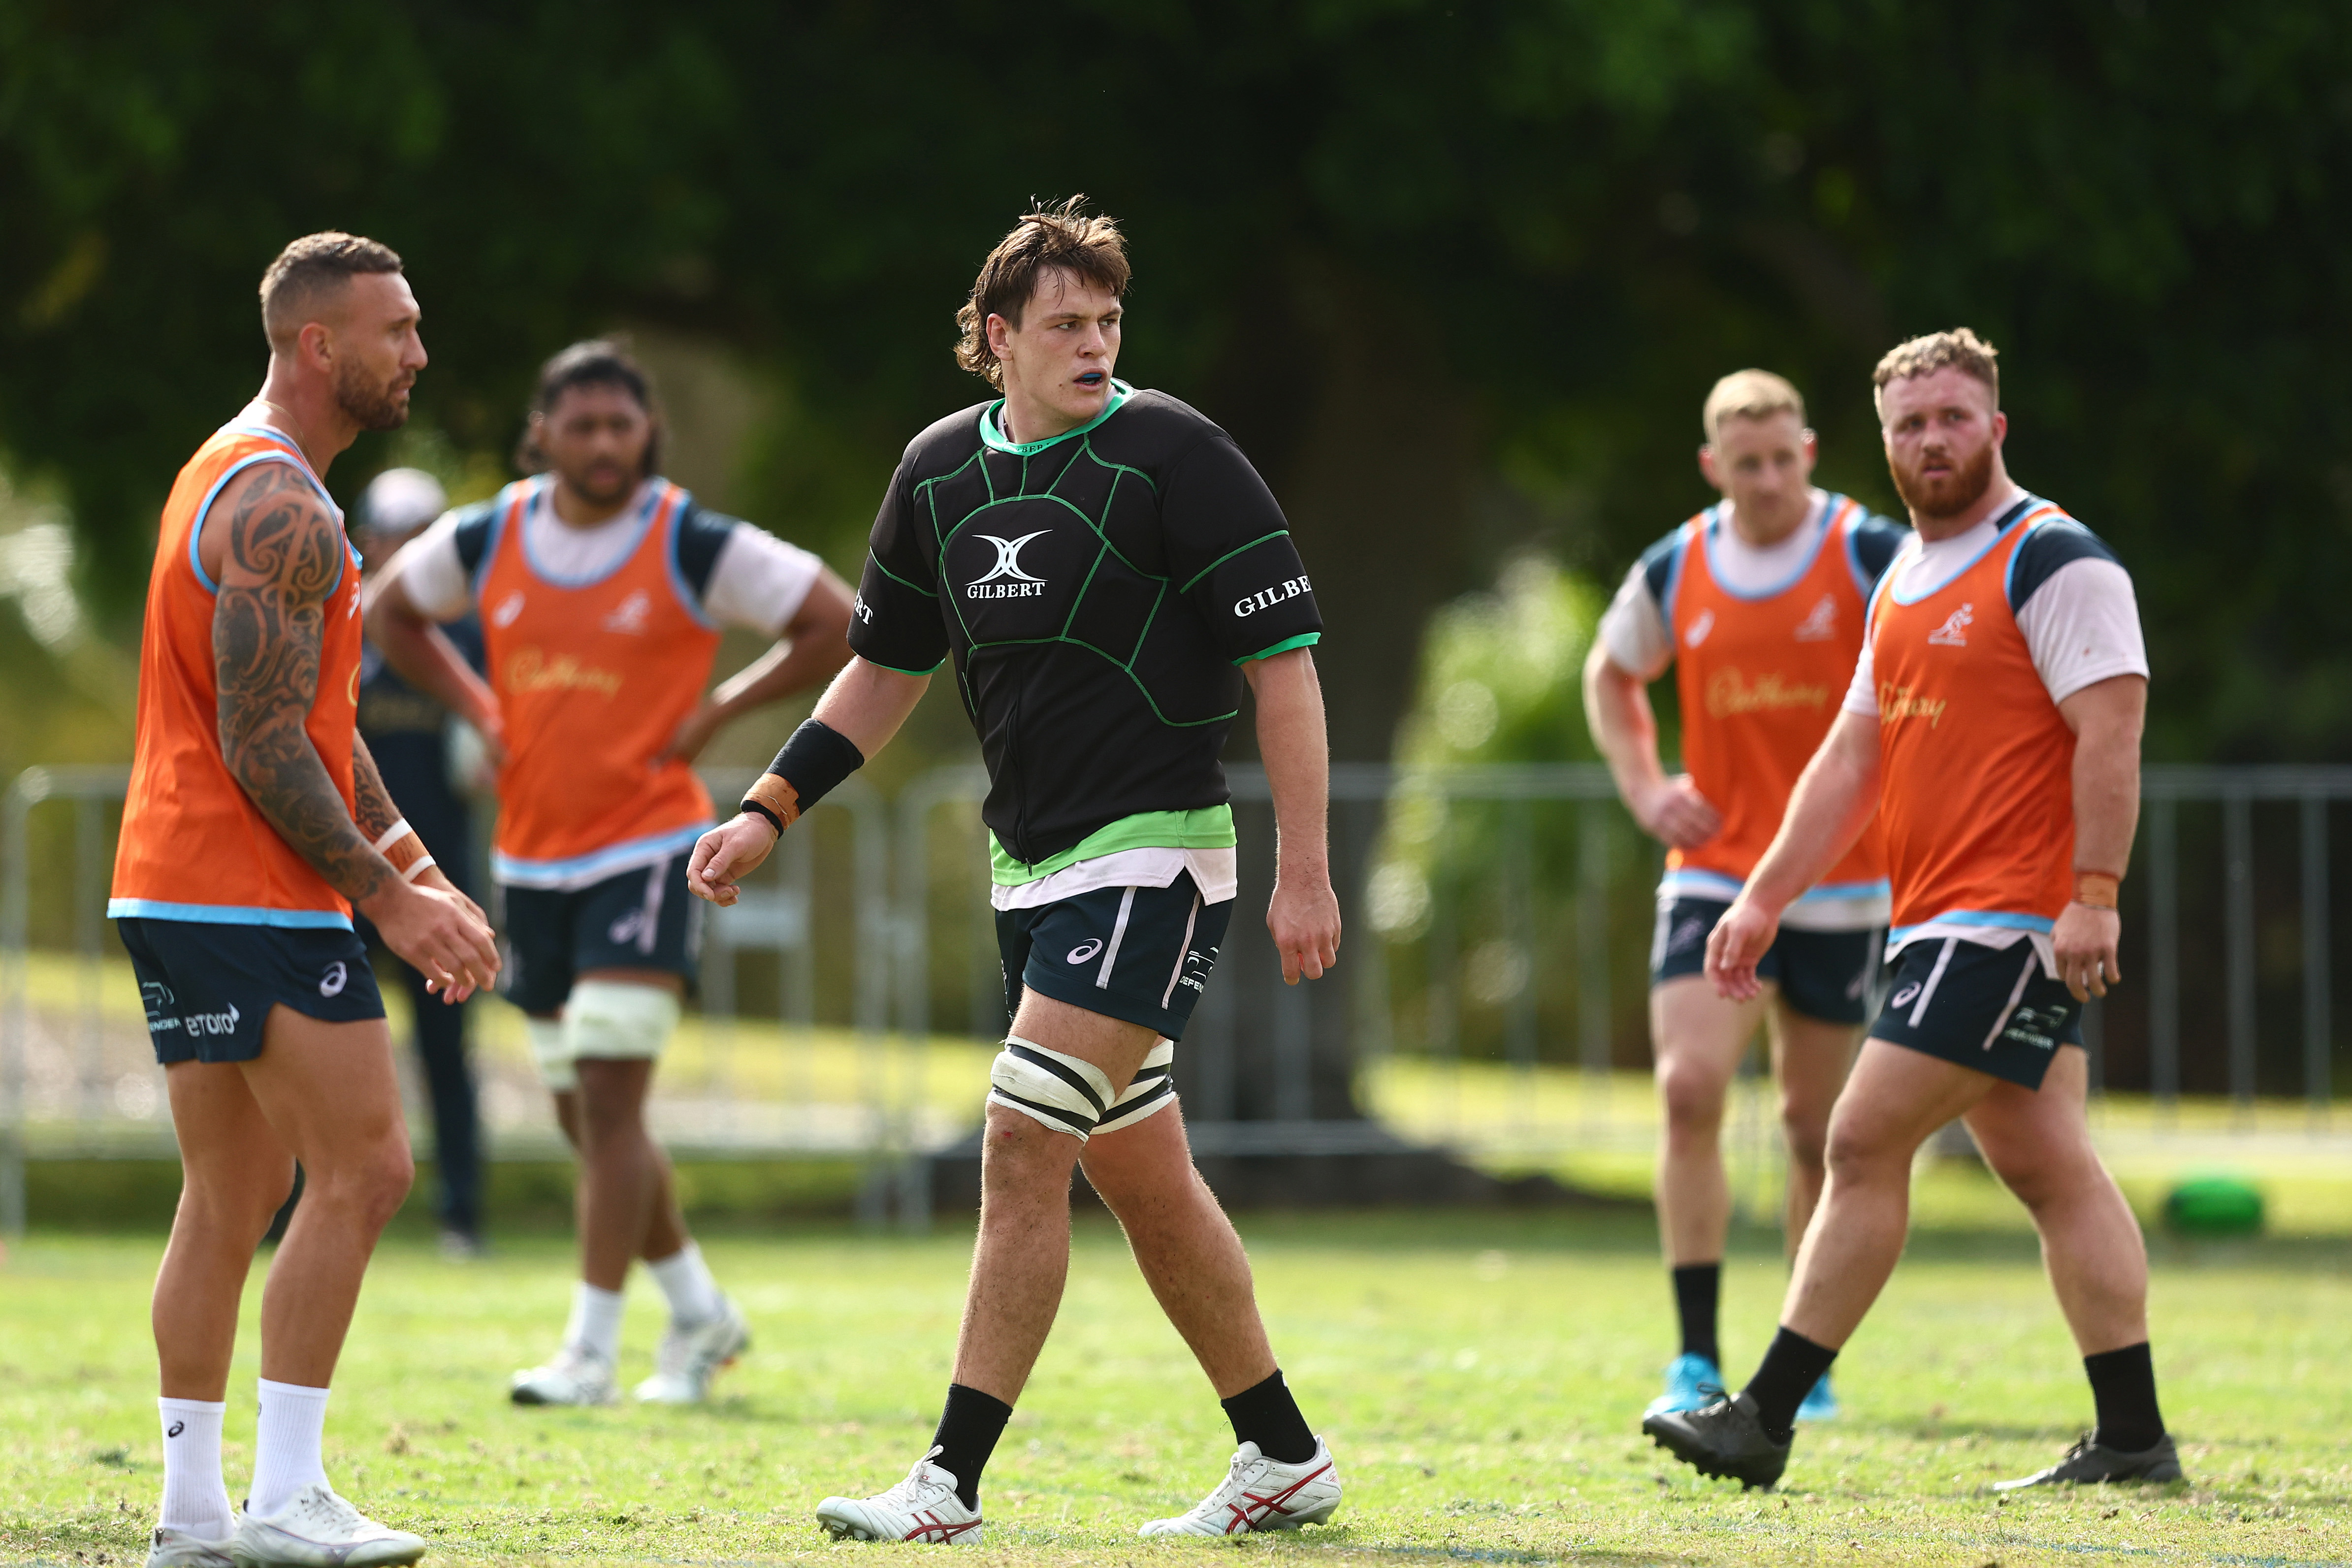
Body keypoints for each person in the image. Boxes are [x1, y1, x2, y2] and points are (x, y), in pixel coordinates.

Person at [689, 198, 1345, 1545]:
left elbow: (1285, 672)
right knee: (1143, 1177)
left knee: (1020, 1132)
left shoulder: (1178, 453)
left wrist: (1306, 872)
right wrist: (768, 807)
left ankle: (947, 1484)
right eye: (1064, 324)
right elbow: (880, 674)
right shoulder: (937, 471)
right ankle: (1282, 1455)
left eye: (1108, 321)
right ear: (997, 339)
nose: (1094, 344)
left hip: (1159, 858)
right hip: (1031, 870)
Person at [1645, 328, 2176, 1492]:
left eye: (1950, 416)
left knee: (1855, 1135)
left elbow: (2114, 728)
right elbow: (1849, 760)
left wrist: (2093, 895)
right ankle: (2132, 1438)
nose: (1930, 439)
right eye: (1908, 424)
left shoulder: (2052, 557)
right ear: (1882, 443)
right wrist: (1762, 898)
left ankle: (1763, 1417)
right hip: (1937, 918)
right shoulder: (1904, 576)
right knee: (2052, 1171)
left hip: (2012, 922)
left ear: (1996, 425)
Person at [365, 339, 857, 1407]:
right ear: (541, 435)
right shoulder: (492, 533)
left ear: (648, 435)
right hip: (529, 860)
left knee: (610, 1095)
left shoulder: (690, 539)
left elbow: (836, 619)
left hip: (648, 849)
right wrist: (476, 706)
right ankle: (698, 1313)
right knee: (587, 1118)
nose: (600, 445)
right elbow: (389, 611)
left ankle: (588, 1351)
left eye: (619, 426)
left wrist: (721, 710)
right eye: (579, 426)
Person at [111, 232, 501, 1568]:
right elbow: (266, 743)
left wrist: (418, 860)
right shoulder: (280, 507)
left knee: (236, 1187)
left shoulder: (233, 477)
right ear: (320, 346)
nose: (419, 352)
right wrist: (391, 904)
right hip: (245, 895)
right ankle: (285, 1496)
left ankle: (195, 1515)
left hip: (177, 884)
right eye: (397, 329)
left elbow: (320, 721)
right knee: (370, 1167)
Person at [1584, 370, 1906, 1423]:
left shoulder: (1867, 553)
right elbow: (1609, 673)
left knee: (1816, 1126)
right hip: (1714, 872)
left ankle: (1799, 1361)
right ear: (1712, 466)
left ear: (1809, 453)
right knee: (1687, 1091)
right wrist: (1644, 787)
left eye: (1783, 459)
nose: (1766, 480)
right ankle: (1691, 1357)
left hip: (1842, 883)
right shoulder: (1677, 565)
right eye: (1745, 463)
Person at [354, 466, 489, 1257]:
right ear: (367, 541)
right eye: (393, 535)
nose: (406, 552)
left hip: (440, 882)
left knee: (447, 1056)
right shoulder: (342, 627)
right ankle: (288, 1211)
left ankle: (462, 1216)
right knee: (314, 1049)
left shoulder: (470, 639)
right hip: (343, 883)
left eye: (423, 537)